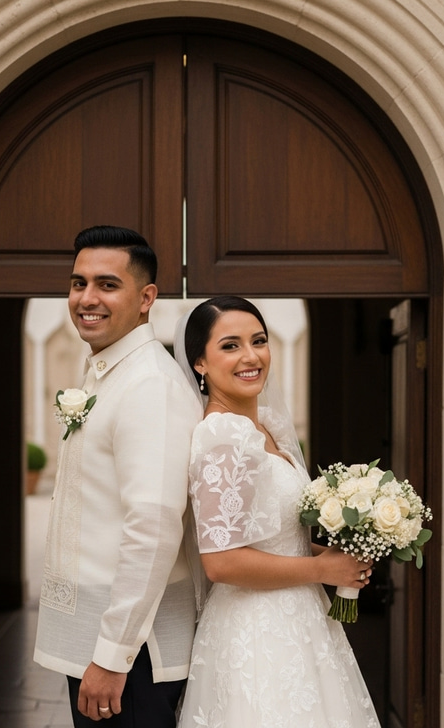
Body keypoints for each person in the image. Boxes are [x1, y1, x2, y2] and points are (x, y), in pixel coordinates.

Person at [174, 296, 381, 728]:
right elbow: (221, 561)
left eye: (259, 340)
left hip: (302, 622)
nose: (251, 356)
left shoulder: (266, 426)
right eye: (230, 346)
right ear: (200, 364)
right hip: (255, 633)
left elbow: (276, 531)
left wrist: (341, 555)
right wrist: (323, 570)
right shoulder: (224, 437)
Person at [34, 226, 203, 727]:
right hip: (104, 644)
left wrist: (112, 656)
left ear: (146, 297)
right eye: (78, 283)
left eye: (107, 284)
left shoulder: (149, 384)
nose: (87, 298)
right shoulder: (111, 372)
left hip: (134, 655)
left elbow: (151, 529)